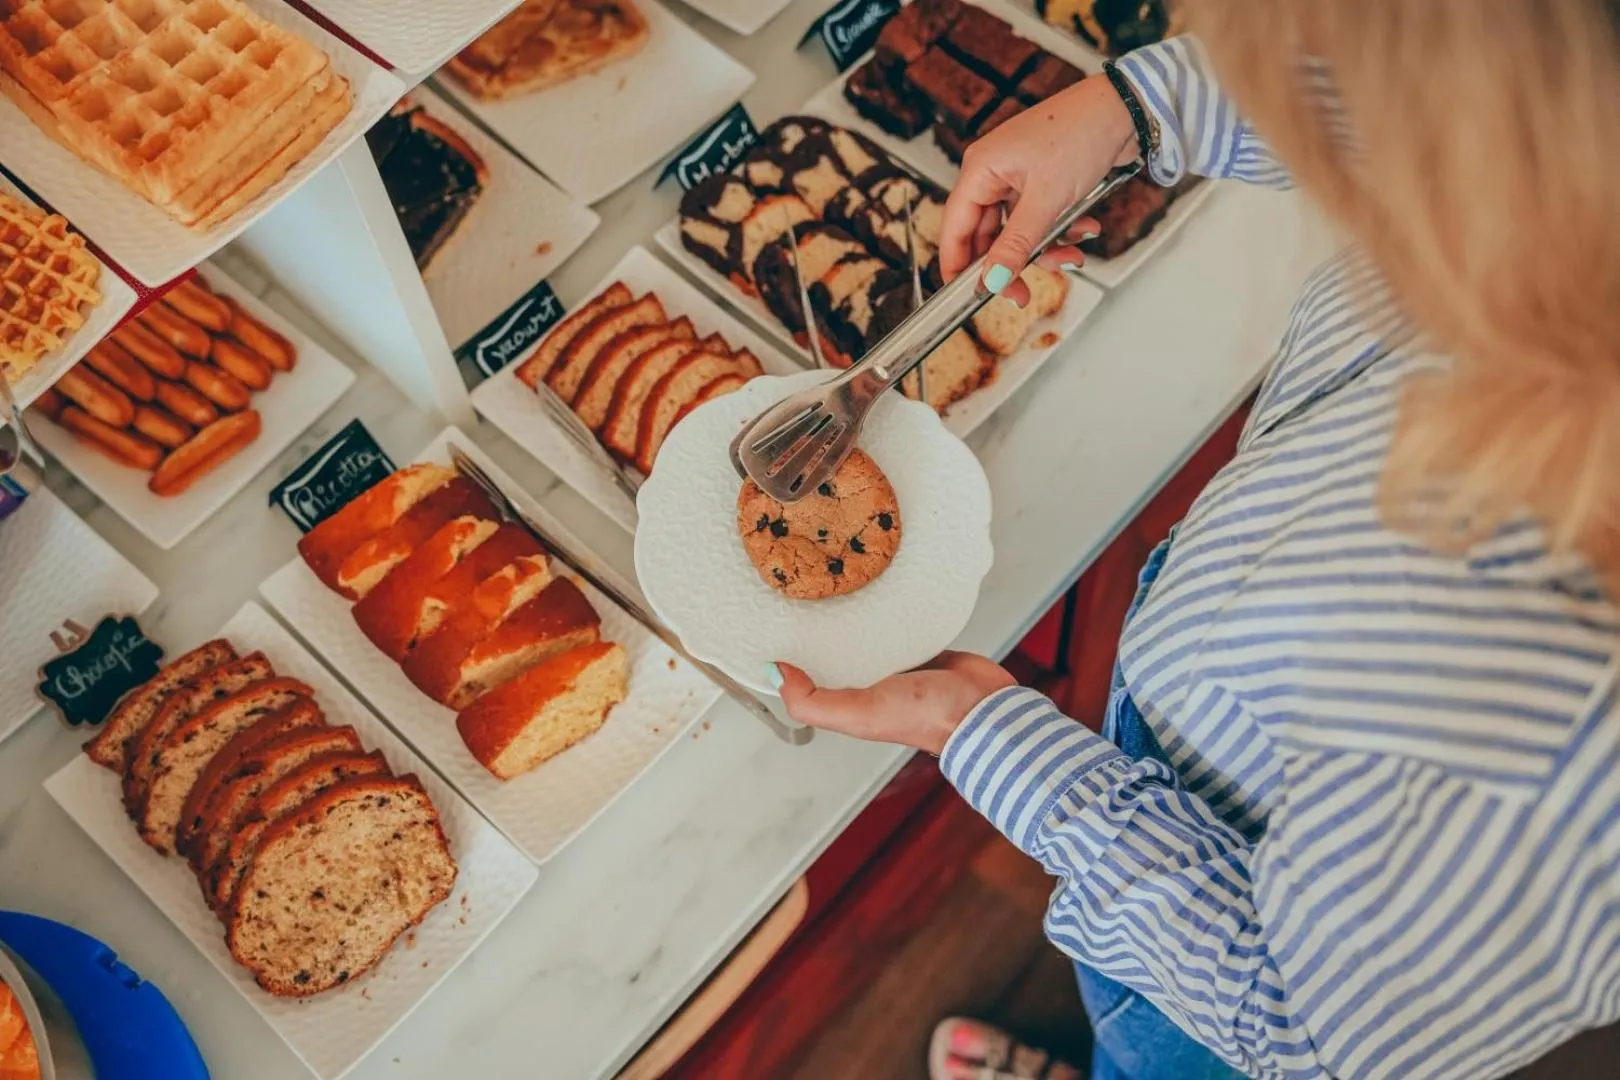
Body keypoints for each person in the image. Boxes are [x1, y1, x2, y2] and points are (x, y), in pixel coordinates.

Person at [766, 2, 1620, 1078]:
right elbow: (1446, 119)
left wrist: (984, 732)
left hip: (1225, 978)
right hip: (1199, 764)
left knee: (1155, 1050)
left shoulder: (1562, 740)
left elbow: (1298, 1034)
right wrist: (1134, 111)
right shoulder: (1552, 155)